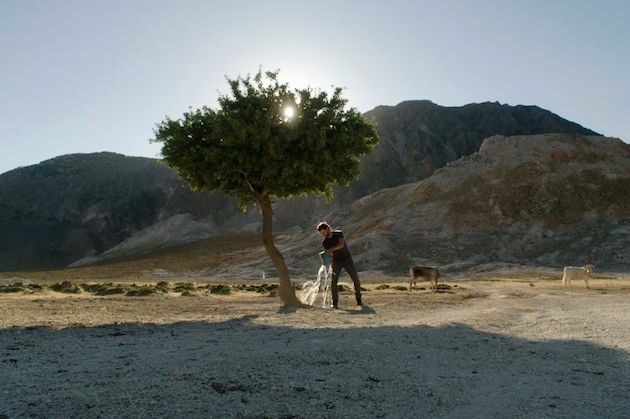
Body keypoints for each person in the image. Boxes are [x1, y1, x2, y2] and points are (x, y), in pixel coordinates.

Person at [316, 221, 362, 308]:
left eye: (323, 232)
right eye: (321, 233)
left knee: (355, 279)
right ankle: (335, 303)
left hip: (347, 259)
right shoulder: (325, 242)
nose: (323, 235)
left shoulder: (338, 234)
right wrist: (324, 259)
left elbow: (341, 245)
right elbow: (328, 254)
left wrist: (330, 250)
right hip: (336, 261)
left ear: (327, 229)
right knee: (333, 282)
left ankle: (359, 301)